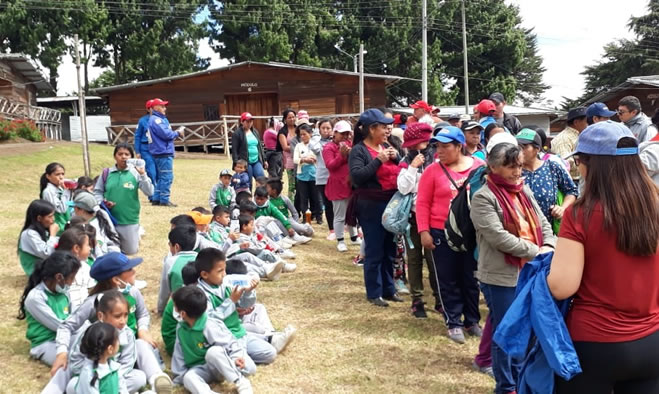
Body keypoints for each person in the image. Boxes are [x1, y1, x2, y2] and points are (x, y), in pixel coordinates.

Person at [547, 121, 659, 393]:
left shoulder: (581, 215)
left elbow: (562, 287)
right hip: (651, 342)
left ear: (590, 164)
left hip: (595, 344)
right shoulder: (655, 206)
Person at [470, 142, 556, 394]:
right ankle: (506, 386)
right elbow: (498, 238)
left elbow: (543, 222)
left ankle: (520, 381)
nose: (517, 172)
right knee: (506, 332)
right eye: (510, 167)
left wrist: (550, 244)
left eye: (519, 166)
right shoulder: (483, 197)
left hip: (530, 271)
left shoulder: (523, 190)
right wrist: (536, 251)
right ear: (493, 167)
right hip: (500, 276)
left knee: (527, 331)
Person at [417, 127, 484, 343]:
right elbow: (423, 203)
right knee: (447, 279)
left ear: (459, 146)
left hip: (470, 233)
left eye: (445, 146)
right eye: (437, 146)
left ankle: (472, 320)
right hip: (440, 232)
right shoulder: (432, 171)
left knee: (471, 279)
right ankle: (453, 321)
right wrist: (424, 231)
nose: (440, 151)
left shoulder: (479, 168)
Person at [348, 108, 401, 307]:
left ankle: (389, 289)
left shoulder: (387, 145)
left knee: (390, 248)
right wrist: (379, 160)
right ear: (372, 129)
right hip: (371, 205)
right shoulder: (359, 150)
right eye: (383, 127)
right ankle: (374, 292)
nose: (387, 130)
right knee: (375, 248)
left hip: (390, 203)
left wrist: (397, 157)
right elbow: (357, 176)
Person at [170, 285, 254, 394]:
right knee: (188, 377)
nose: (174, 309)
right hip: (201, 369)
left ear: (182, 313)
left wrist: (235, 358)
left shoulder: (210, 325)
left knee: (213, 352)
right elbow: (179, 354)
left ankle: (240, 382)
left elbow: (230, 344)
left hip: (218, 366)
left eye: (175, 307)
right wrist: (179, 378)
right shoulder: (180, 328)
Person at [396, 122, 440, 318]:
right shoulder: (405, 162)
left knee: (434, 260)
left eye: (421, 143)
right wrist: (413, 169)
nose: (417, 147)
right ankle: (417, 299)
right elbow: (404, 188)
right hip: (413, 217)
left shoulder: (436, 160)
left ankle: (440, 298)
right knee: (413, 259)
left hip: (434, 217)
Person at [18, 251, 81, 367]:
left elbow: (74, 316)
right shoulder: (35, 298)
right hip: (47, 343)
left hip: (67, 336)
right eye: (72, 278)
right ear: (59, 277)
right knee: (74, 363)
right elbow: (60, 326)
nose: (73, 282)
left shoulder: (63, 292)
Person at [93, 143, 154, 255]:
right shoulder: (107, 173)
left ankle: (136, 232)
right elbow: (97, 191)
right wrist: (102, 203)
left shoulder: (136, 173)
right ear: (115, 156)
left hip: (128, 219)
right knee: (110, 250)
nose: (124, 157)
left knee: (130, 251)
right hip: (108, 219)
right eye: (120, 154)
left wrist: (143, 174)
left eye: (127, 154)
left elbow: (150, 192)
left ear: (132, 157)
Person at [516, 128, 578, 226]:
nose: (520, 151)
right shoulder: (515, 171)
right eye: (517, 147)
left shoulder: (552, 167)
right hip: (524, 228)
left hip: (550, 227)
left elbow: (571, 191)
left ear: (537, 149)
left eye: (524, 147)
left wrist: (562, 208)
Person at [323, 120, 360, 252]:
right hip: (337, 185)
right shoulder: (328, 147)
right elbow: (331, 166)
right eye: (342, 133)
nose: (345, 136)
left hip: (351, 184)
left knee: (352, 212)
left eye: (347, 134)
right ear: (335, 133)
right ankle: (340, 240)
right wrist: (341, 155)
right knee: (339, 215)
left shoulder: (350, 145)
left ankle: (354, 237)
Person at [74, 322, 128, 394]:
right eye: (117, 340)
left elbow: (123, 390)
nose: (119, 342)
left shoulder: (114, 367)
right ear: (110, 349)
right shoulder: (88, 375)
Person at [148, 97, 183, 207]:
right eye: (162, 106)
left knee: (162, 176)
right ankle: (164, 199)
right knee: (167, 176)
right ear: (155, 108)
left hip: (160, 151)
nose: (165, 108)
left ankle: (156, 198)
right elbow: (167, 134)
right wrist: (177, 133)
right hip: (163, 151)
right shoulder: (157, 120)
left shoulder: (156, 119)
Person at [72, 191, 121, 259]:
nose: (73, 210)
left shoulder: (88, 227)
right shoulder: (101, 213)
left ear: (82, 210)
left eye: (74, 207)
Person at [18, 199, 59, 276]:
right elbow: (46, 253)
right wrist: (53, 235)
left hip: (44, 263)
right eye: (50, 216)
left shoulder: (44, 229)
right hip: (35, 268)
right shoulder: (29, 234)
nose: (53, 219)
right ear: (39, 218)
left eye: (53, 215)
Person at [293, 123, 321, 224]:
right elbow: (295, 159)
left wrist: (313, 159)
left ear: (310, 134)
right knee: (303, 197)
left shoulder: (316, 145)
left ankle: (318, 216)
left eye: (304, 134)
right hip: (302, 175)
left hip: (314, 174)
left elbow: (319, 157)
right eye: (301, 135)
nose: (302, 136)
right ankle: (305, 216)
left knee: (316, 197)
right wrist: (304, 159)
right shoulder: (298, 146)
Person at [310, 118, 334, 231]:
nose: (325, 130)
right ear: (318, 130)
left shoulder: (335, 141)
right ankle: (331, 228)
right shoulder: (316, 141)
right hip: (322, 176)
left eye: (328, 128)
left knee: (337, 203)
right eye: (323, 128)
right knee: (327, 203)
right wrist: (316, 134)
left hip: (335, 176)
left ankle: (341, 225)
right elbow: (314, 148)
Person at [552, 107, 588, 182]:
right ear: (576, 122)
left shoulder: (580, 136)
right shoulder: (563, 139)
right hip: (572, 181)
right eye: (586, 121)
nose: (588, 124)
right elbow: (565, 163)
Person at [232, 112, 267, 188]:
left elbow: (260, 147)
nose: (249, 123)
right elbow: (234, 150)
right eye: (247, 121)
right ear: (242, 122)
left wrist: (264, 160)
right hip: (245, 162)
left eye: (251, 121)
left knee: (262, 181)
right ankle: (248, 198)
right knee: (248, 183)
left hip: (256, 161)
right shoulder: (237, 134)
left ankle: (261, 198)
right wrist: (235, 164)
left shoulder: (255, 132)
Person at [133, 99, 157, 200]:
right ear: (148, 109)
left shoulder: (161, 120)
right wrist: (137, 151)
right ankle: (152, 195)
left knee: (159, 172)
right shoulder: (143, 120)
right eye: (153, 107)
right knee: (151, 171)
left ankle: (158, 194)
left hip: (157, 149)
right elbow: (137, 136)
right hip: (145, 148)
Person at [40, 162, 71, 235]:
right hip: (58, 227)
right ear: (48, 176)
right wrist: (66, 191)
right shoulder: (48, 191)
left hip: (65, 223)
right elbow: (61, 209)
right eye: (57, 174)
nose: (61, 177)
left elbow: (68, 203)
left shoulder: (60, 188)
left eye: (62, 174)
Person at [278, 109, 299, 200]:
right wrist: (299, 147)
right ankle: (292, 203)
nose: (292, 119)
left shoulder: (298, 129)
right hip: (290, 160)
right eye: (289, 117)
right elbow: (285, 147)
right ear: (285, 119)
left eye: (293, 117)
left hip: (301, 159)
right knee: (292, 184)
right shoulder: (282, 132)